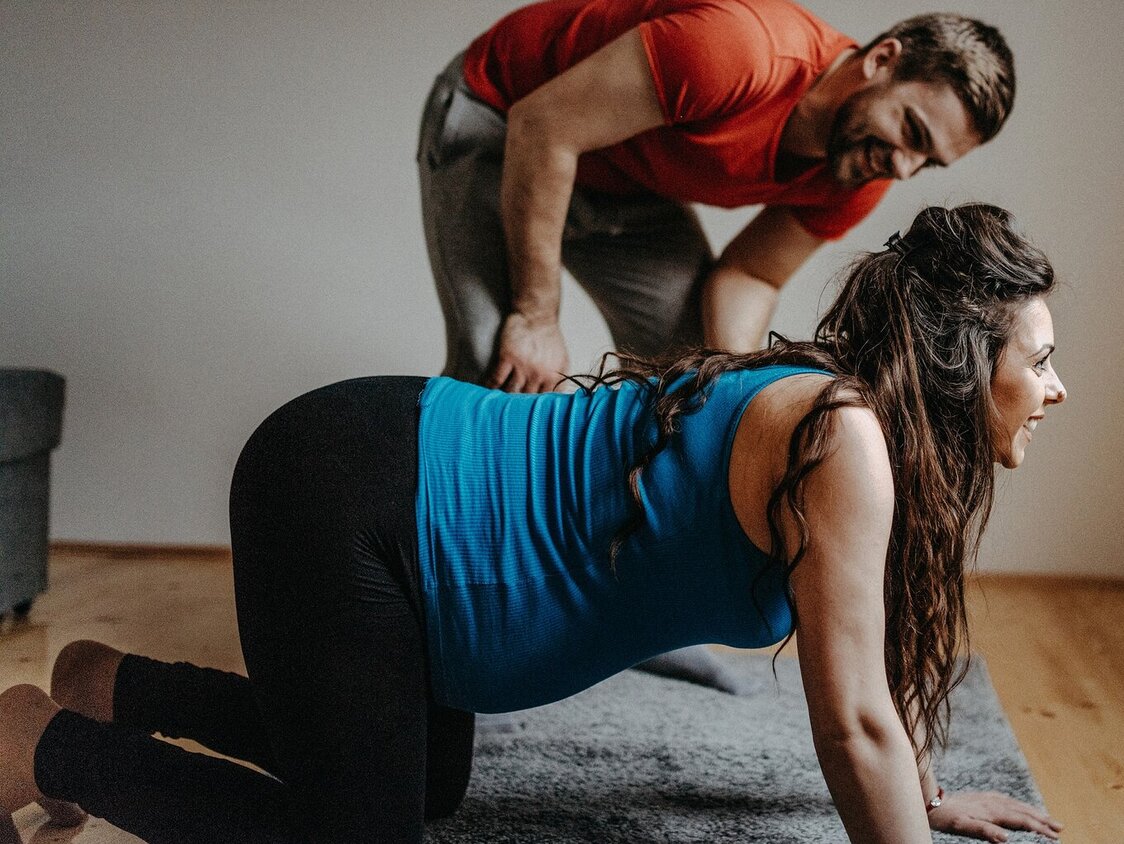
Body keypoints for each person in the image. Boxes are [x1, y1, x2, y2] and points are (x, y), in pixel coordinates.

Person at [0, 204, 1065, 843]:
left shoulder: (844, 423)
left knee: (426, 783)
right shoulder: (842, 440)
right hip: (361, 501)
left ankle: (110, 685)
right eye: (1041, 358)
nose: (1054, 387)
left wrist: (914, 794)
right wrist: (897, 792)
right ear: (967, 360)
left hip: (391, 470)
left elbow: (864, 690)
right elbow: (852, 725)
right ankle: (38, 744)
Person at [418, 0, 1016, 393]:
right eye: (911, 132)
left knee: (687, 387)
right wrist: (536, 315)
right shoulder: (737, 50)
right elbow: (544, 128)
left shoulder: (861, 170)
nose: (904, 168)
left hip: (625, 180)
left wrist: (739, 391)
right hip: (504, 121)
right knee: (497, 370)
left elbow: (751, 276)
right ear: (882, 60)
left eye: (928, 161)